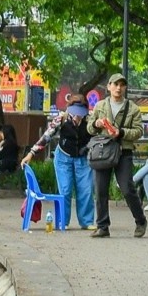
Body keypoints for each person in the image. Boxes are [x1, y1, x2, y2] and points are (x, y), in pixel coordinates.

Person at [86, 73, 148, 237]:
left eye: (122, 85)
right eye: (115, 84)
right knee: (100, 189)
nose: (118, 88)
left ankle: (140, 220)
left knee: (127, 188)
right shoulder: (99, 106)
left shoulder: (133, 108)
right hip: (103, 150)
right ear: (109, 87)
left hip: (123, 151)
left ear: (125, 87)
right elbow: (89, 129)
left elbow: (139, 131)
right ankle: (102, 226)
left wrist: (121, 132)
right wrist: (96, 123)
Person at [23, 93, 95, 229]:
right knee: (65, 189)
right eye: (75, 112)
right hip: (64, 158)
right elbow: (46, 136)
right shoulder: (61, 119)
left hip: (82, 158)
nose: (78, 116)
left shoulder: (90, 120)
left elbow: (96, 137)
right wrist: (31, 153)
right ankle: (63, 221)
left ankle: (87, 222)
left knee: (86, 190)